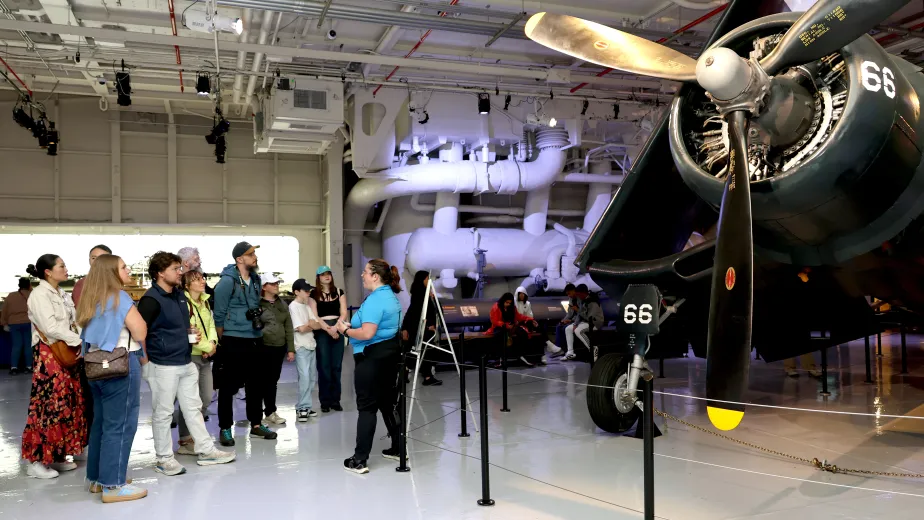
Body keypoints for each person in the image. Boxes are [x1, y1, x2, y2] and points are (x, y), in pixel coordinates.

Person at [138, 251, 235, 476]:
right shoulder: (151, 299)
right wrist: (145, 362)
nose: (180, 272)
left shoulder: (179, 296)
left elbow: (180, 325)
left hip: (185, 361)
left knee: (194, 408)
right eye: (175, 269)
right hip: (162, 365)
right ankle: (164, 458)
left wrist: (191, 335)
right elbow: (140, 332)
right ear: (160, 273)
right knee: (163, 413)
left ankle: (206, 450)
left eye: (180, 268)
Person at [77, 254, 148, 502]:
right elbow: (139, 330)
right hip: (120, 364)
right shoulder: (120, 297)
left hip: (95, 366)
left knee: (102, 423)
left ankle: (98, 479)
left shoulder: (90, 299)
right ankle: (113, 485)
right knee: (121, 424)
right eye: (123, 267)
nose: (128, 270)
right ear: (111, 273)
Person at [21, 254, 87, 479]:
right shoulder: (39, 295)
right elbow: (49, 327)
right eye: (62, 266)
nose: (66, 269)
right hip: (50, 353)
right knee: (48, 406)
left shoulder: (62, 294)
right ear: (48, 271)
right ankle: (36, 460)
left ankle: (57, 455)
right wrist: (77, 340)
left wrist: (79, 336)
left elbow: (74, 320)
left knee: (66, 403)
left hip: (66, 351)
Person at [337, 259, 403, 474]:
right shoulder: (391, 297)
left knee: (367, 408)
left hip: (371, 358)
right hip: (388, 356)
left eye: (365, 272)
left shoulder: (375, 300)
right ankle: (398, 448)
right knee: (386, 403)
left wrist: (345, 330)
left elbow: (367, 334)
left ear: (375, 276)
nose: (362, 275)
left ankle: (360, 459)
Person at [213, 242, 278, 446]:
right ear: (239, 259)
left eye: (255, 253)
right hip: (233, 340)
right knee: (228, 386)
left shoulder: (257, 280)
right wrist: (224, 340)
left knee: (255, 384)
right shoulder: (226, 282)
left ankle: (256, 424)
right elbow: (219, 316)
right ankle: (225, 428)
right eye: (251, 254)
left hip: (255, 338)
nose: (255, 256)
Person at [175, 269, 219, 455]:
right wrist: (207, 347)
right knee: (190, 400)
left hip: (205, 356)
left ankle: (196, 435)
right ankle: (186, 440)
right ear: (187, 284)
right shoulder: (183, 304)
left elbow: (210, 325)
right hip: (191, 356)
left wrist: (213, 343)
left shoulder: (205, 301)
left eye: (202, 278)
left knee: (206, 398)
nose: (202, 282)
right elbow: (188, 331)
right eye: (197, 279)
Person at [309, 266, 348, 413]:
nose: (326, 277)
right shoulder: (314, 294)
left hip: (337, 327)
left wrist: (337, 327)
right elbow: (315, 315)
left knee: (336, 366)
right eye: (323, 274)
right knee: (324, 366)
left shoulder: (339, 292)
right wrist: (328, 329)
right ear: (318, 277)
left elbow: (343, 312)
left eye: (328, 274)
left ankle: (335, 400)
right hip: (322, 330)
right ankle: (325, 401)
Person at [257, 273, 294, 425]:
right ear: (264, 287)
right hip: (262, 348)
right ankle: (256, 415)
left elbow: (288, 327)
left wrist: (290, 349)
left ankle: (270, 412)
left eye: (277, 283)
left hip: (279, 348)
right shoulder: (257, 304)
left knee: (273, 381)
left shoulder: (282, 304)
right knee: (259, 381)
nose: (276, 285)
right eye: (272, 284)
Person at [400, 271, 442, 386]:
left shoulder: (420, 294)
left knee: (417, 351)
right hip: (422, 329)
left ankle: (406, 371)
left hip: (420, 328)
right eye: (427, 278)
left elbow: (412, 312)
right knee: (424, 351)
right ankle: (427, 376)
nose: (429, 280)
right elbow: (417, 313)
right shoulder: (421, 294)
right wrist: (429, 325)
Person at [289, 278, 321, 421]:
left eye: (309, 290)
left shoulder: (307, 306)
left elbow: (318, 325)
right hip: (301, 346)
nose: (309, 292)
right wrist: (311, 325)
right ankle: (302, 407)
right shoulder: (293, 306)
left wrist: (311, 324)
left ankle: (306, 406)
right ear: (296, 292)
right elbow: (300, 328)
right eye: (305, 290)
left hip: (311, 344)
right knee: (305, 378)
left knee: (311, 378)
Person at [486, 292, 541, 367]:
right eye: (507, 302)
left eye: (510, 303)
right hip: (500, 327)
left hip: (512, 326)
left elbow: (519, 317)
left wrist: (530, 319)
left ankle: (521, 355)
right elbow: (494, 320)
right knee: (500, 335)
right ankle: (501, 358)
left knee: (522, 333)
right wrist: (505, 325)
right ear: (503, 301)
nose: (508, 304)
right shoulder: (496, 307)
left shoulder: (512, 308)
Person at [514, 286, 563, 363]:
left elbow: (530, 315)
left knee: (539, 325)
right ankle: (550, 345)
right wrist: (528, 320)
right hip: (517, 324)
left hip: (526, 322)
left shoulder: (527, 303)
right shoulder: (514, 303)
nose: (522, 296)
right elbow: (517, 317)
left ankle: (548, 346)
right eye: (520, 294)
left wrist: (532, 320)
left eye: (523, 294)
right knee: (535, 325)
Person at [563, 284, 604, 361]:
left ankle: (592, 348)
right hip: (586, 322)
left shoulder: (592, 302)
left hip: (595, 323)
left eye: (579, 295)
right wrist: (575, 323)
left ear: (583, 293)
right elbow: (580, 314)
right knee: (568, 329)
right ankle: (570, 352)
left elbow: (589, 318)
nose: (578, 297)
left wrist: (577, 311)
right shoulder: (584, 300)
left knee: (578, 330)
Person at [2, 278, 33, 375]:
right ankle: (28, 367)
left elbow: (5, 311)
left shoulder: (11, 296)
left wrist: (4, 323)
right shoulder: (32, 295)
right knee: (28, 346)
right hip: (28, 322)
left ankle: (14, 367)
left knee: (16, 346)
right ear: (29, 285)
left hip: (14, 323)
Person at [554, 283, 579, 351]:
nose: (569, 295)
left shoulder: (580, 299)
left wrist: (571, 321)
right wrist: (564, 320)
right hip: (573, 319)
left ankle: (565, 349)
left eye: (569, 293)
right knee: (559, 326)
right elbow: (569, 313)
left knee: (565, 328)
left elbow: (581, 314)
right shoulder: (571, 299)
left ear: (574, 290)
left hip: (579, 320)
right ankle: (558, 348)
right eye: (567, 294)